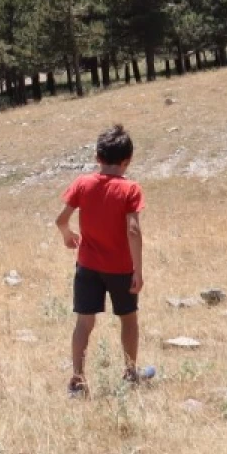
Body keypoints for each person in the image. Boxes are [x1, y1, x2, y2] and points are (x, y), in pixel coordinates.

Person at [55, 125, 148, 398]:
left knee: (84, 323)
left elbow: (61, 220)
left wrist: (67, 236)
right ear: (127, 160)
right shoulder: (130, 189)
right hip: (120, 268)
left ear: (97, 157)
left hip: (87, 266)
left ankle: (77, 379)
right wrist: (138, 271)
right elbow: (133, 230)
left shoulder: (83, 184)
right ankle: (131, 373)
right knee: (128, 320)